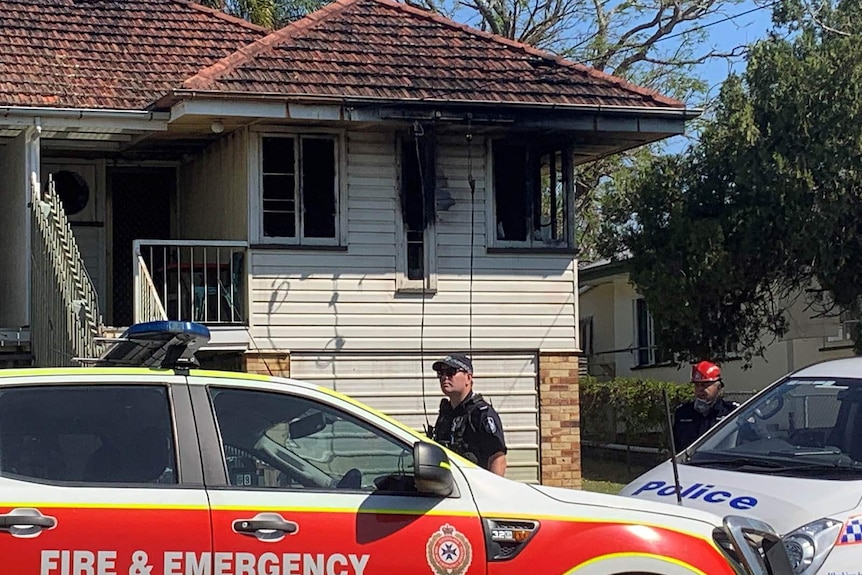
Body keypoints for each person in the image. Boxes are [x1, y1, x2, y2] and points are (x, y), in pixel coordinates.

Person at [427, 353, 508, 475]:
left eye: (450, 372)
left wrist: (490, 492)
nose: (444, 377)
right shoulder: (446, 414)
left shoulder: (481, 413)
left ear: (468, 378)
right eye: (440, 374)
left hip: (474, 488)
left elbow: (497, 458)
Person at [672, 360, 739, 452]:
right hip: (689, 464)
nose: (700, 389)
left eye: (704, 385)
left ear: (718, 388)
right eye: (697, 385)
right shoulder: (683, 413)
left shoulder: (731, 412)